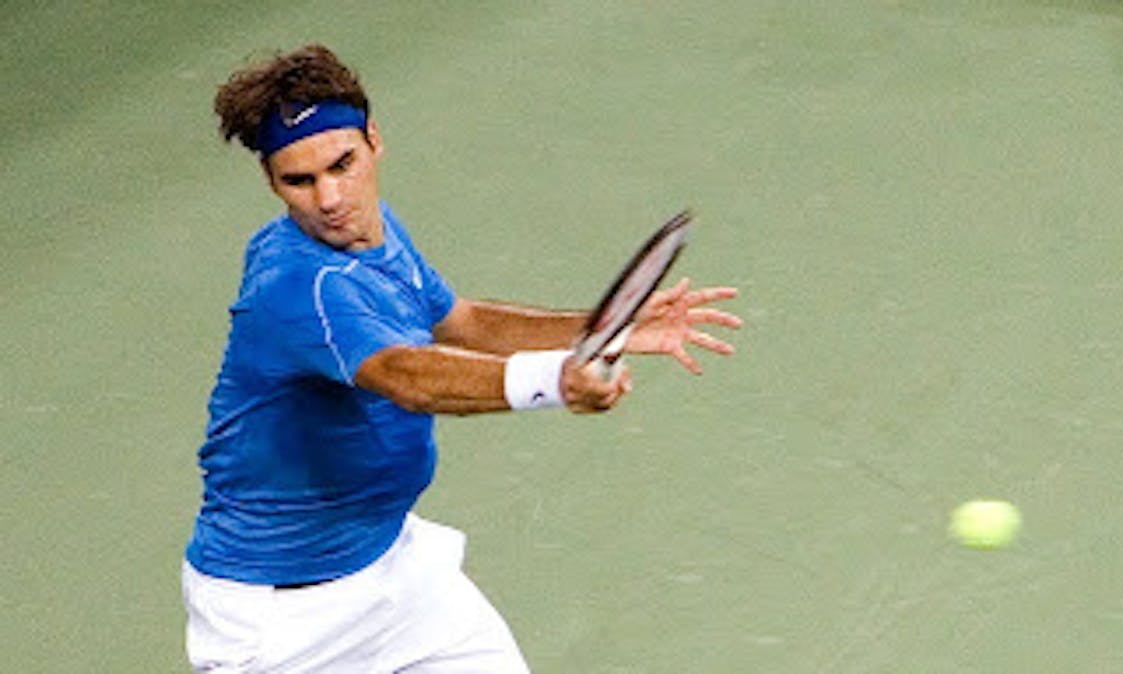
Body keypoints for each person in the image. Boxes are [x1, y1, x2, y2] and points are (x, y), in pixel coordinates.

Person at [182, 43, 741, 674]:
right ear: (271, 182)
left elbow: (461, 322)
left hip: (398, 574)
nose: (331, 198)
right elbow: (405, 376)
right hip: (283, 623)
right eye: (300, 181)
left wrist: (608, 326)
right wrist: (555, 380)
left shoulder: (378, 231)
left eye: (342, 164)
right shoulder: (300, 286)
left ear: (373, 141)